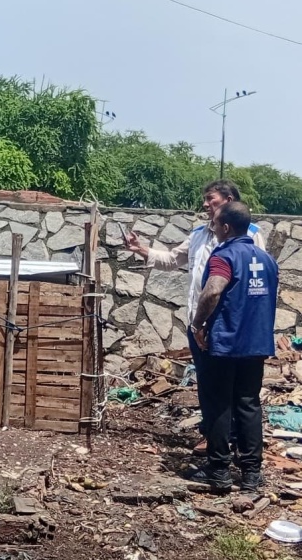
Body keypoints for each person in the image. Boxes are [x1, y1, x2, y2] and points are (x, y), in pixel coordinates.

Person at [124, 180, 266, 455]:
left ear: (228, 200)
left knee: (238, 391)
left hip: (229, 326)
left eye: (211, 198)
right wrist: (140, 249)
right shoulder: (199, 234)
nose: (205, 204)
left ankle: (232, 448)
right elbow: (171, 260)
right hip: (198, 324)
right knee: (210, 386)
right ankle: (216, 440)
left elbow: (254, 279)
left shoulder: (252, 235)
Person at [188, 201, 277, 492]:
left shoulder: (223, 256)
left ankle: (219, 470)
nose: (213, 229)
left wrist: (197, 324)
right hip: (256, 343)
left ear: (226, 227)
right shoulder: (267, 260)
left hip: (225, 343)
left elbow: (213, 290)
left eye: (215, 224)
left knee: (219, 404)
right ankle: (251, 474)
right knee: (249, 404)